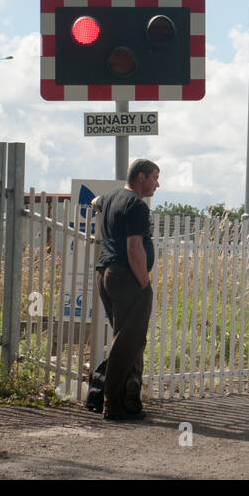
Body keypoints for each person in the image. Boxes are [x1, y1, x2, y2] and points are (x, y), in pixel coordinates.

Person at [87, 159, 159, 421]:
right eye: (154, 177)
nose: (157, 184)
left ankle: (130, 401)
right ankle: (111, 403)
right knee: (130, 342)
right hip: (126, 277)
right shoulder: (136, 205)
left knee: (125, 338)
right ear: (141, 177)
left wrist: (101, 206)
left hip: (104, 274)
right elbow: (133, 248)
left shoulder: (113, 197)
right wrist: (143, 281)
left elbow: (95, 201)